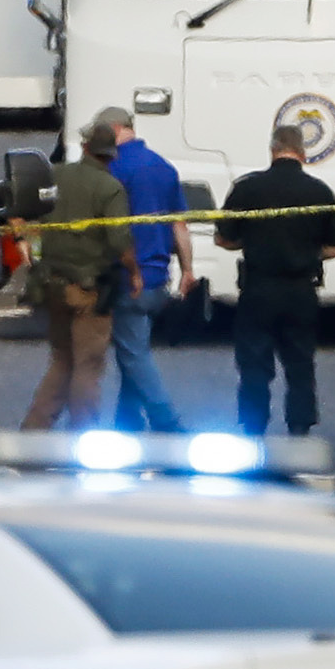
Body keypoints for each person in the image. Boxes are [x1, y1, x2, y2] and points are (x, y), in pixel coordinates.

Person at [215, 121, 335, 436]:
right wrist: (309, 252)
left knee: (254, 364)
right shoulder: (320, 191)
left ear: (273, 150)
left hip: (259, 287)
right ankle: (299, 427)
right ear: (302, 151)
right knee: (299, 363)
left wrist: (255, 241)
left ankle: (253, 426)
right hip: (300, 288)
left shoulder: (246, 188)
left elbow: (224, 239)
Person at [18, 118, 132, 432]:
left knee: (61, 361)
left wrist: (24, 243)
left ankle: (34, 433)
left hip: (52, 286)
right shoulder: (110, 188)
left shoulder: (56, 175)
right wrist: (134, 272)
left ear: (84, 148)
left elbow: (22, 212)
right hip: (88, 290)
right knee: (88, 366)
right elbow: (120, 241)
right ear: (112, 155)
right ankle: (85, 435)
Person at [99, 107, 195, 433]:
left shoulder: (112, 169)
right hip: (160, 275)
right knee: (132, 349)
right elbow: (179, 224)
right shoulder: (163, 167)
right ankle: (126, 422)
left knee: (134, 355)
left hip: (128, 275)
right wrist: (187, 269)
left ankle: (167, 422)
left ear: (113, 129)